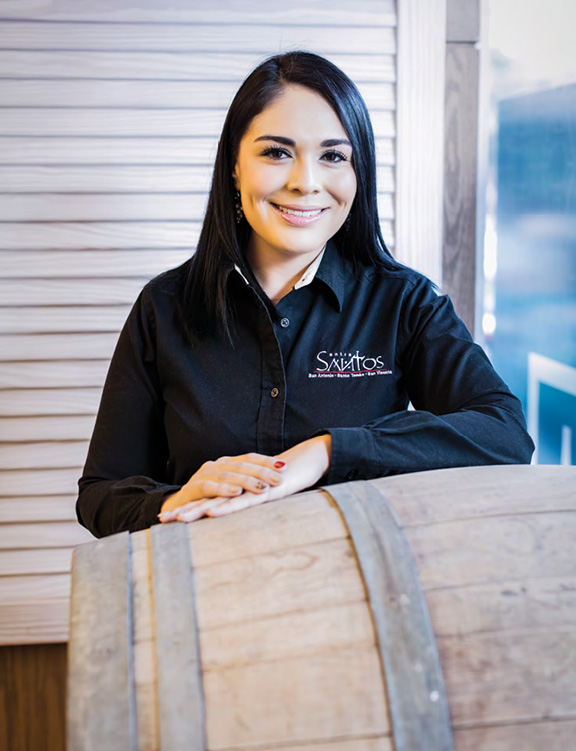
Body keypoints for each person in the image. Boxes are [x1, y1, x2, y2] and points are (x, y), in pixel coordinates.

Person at [76, 51, 534, 539]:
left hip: (358, 582)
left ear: (358, 174)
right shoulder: (164, 307)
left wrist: (328, 452)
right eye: (277, 153)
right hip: (208, 579)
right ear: (234, 166)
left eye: (333, 156)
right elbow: (101, 495)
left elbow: (504, 434)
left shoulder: (405, 303)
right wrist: (175, 501)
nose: (306, 183)